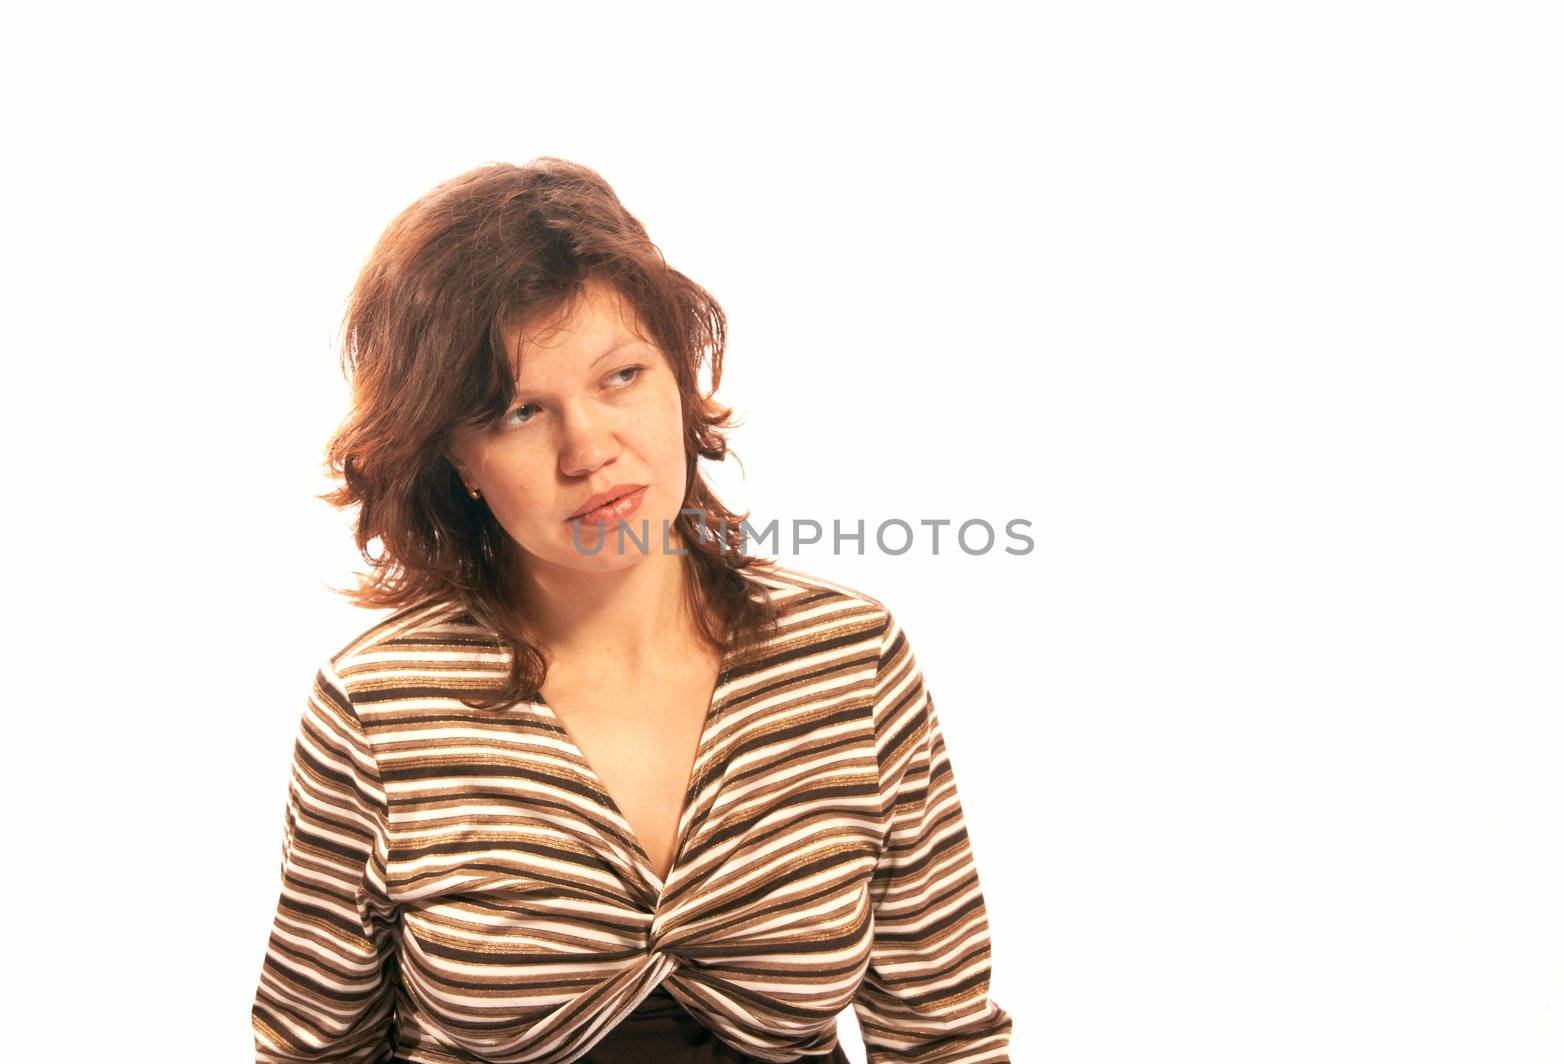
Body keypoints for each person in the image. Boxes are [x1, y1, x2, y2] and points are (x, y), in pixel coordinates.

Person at [250, 157, 1014, 1063]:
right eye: (520, 411)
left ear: (680, 375)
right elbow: (311, 1049)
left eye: (621, 377)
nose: (589, 451)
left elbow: (944, 1035)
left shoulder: (851, 660)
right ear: (455, 457)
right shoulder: (376, 706)